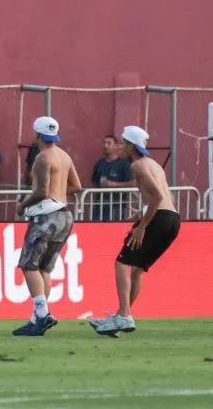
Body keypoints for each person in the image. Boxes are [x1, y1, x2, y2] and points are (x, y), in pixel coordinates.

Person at [89, 126, 181, 336]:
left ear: (131, 145)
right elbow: (169, 199)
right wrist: (142, 213)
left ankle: (123, 316)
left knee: (122, 263)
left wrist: (141, 227)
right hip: (172, 219)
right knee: (137, 269)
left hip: (158, 219)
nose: (121, 145)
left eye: (123, 142)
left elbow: (157, 197)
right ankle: (122, 316)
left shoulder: (138, 165)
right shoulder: (154, 164)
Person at [12, 117, 81, 336]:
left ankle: (42, 315)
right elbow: (77, 186)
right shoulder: (64, 155)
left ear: (36, 134)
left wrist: (23, 205)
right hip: (64, 215)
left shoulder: (43, 157)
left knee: (29, 265)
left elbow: (41, 192)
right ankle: (37, 317)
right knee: (44, 268)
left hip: (45, 216)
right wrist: (59, 194)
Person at [90, 134, 134, 221]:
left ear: (116, 146)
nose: (105, 146)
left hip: (116, 205)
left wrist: (113, 184)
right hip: (99, 205)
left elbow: (132, 183)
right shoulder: (100, 163)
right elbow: (94, 181)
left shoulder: (124, 164)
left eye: (109, 143)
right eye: (104, 143)